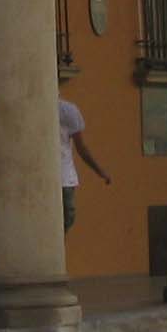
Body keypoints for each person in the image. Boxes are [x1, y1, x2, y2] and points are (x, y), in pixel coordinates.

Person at [58, 97, 109, 233]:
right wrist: (100, 171)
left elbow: (81, 148)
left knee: (66, 218)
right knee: (66, 218)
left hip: (63, 176)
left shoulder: (66, 110)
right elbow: (81, 148)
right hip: (63, 178)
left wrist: (99, 171)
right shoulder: (67, 110)